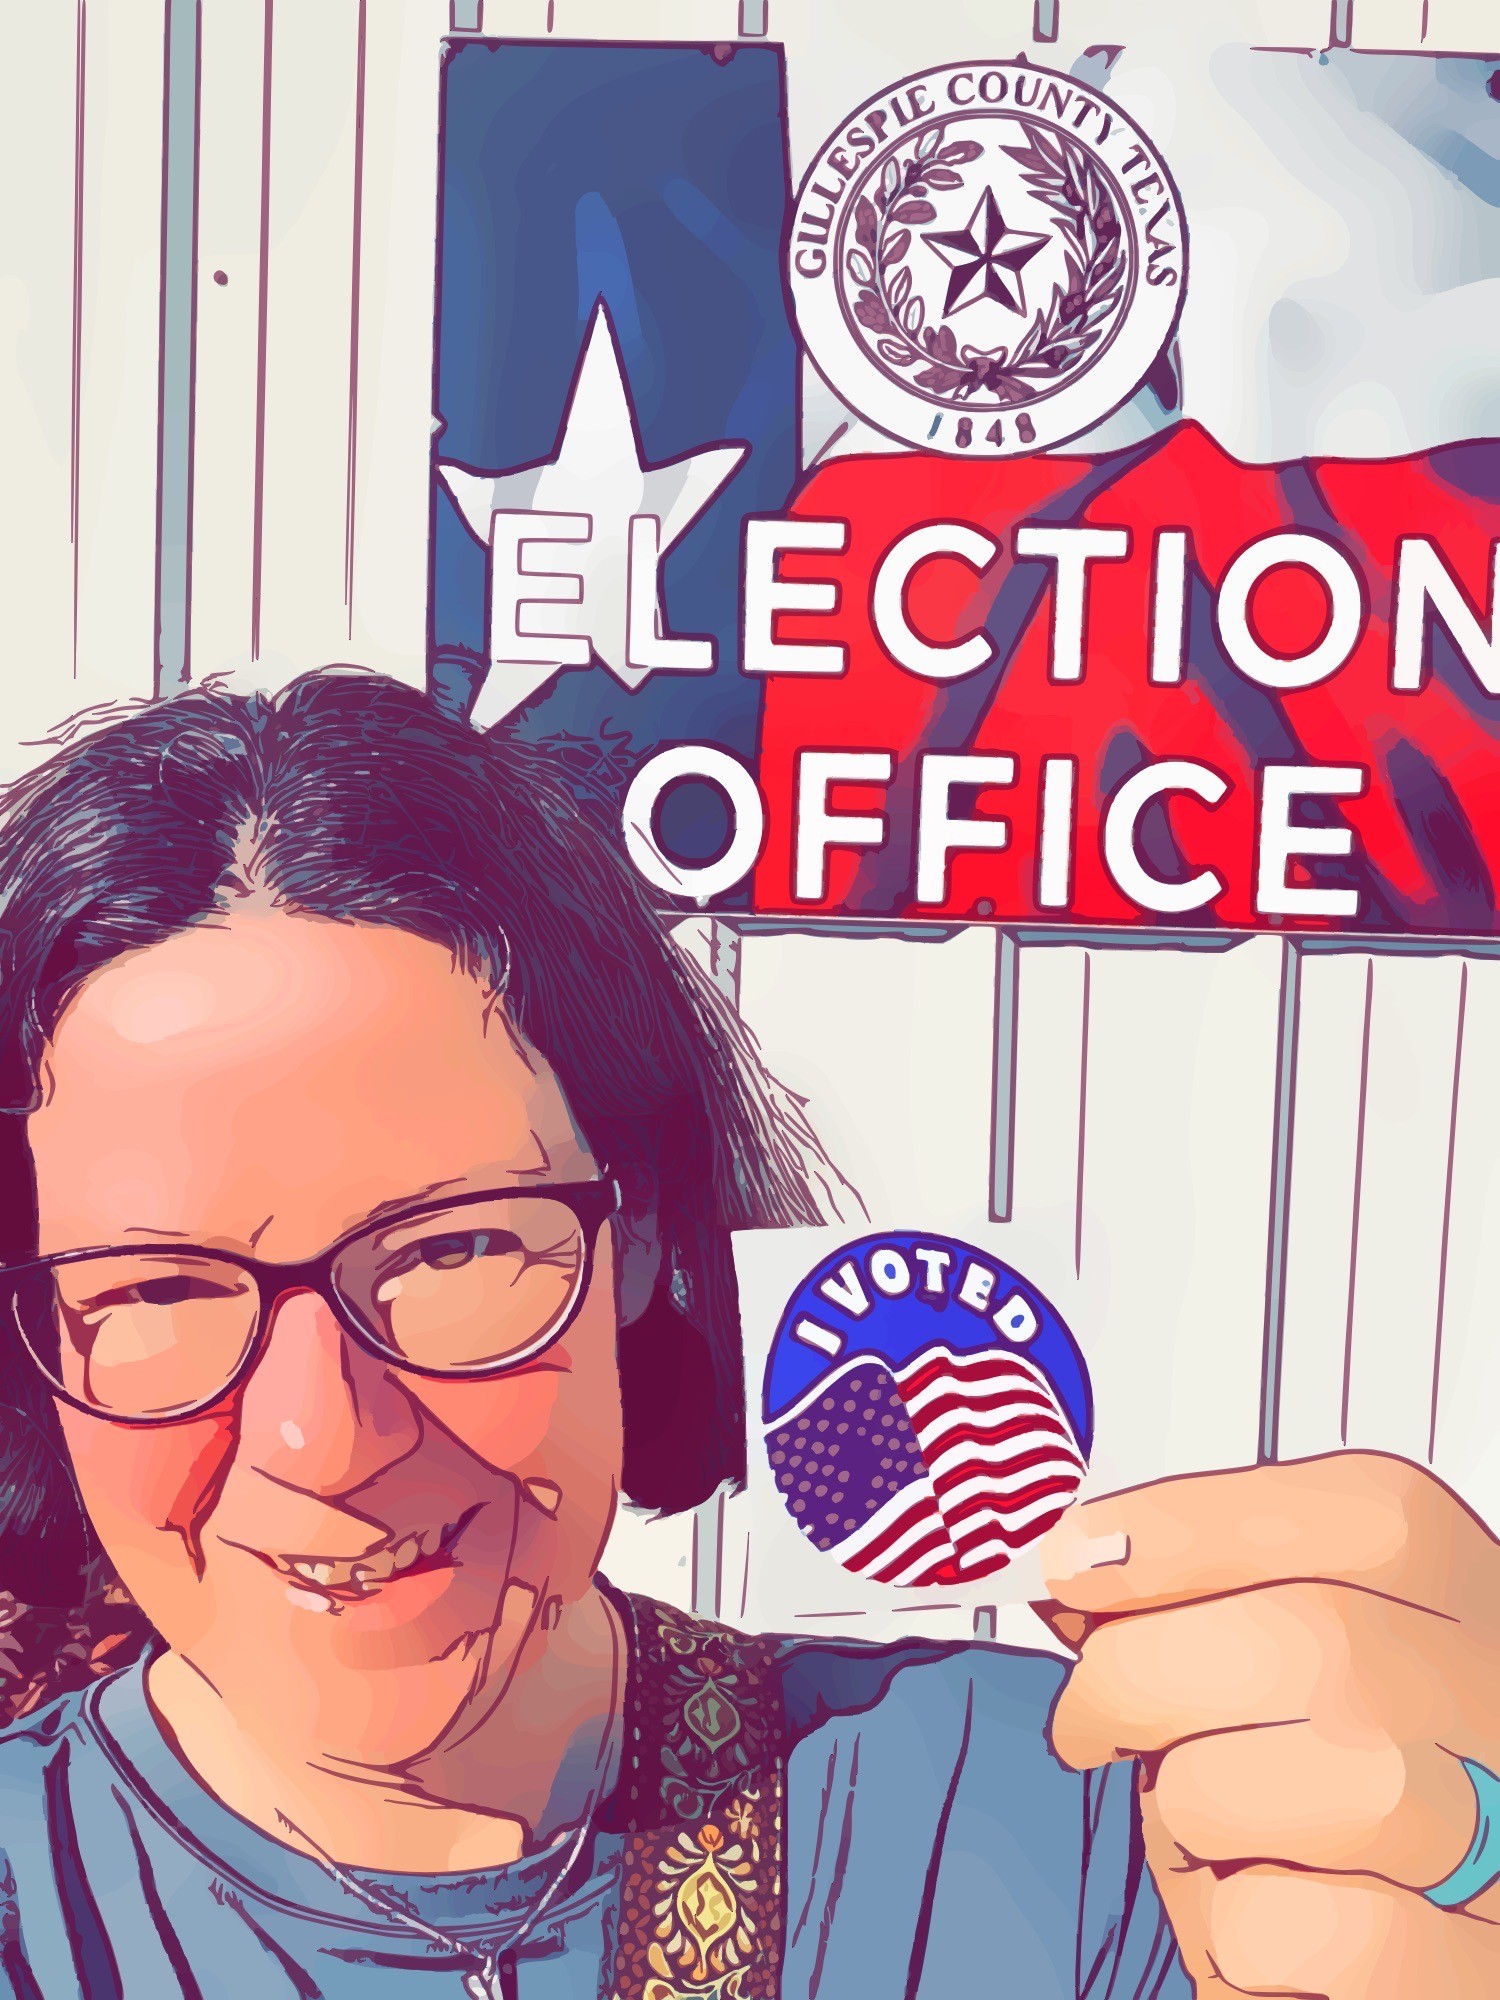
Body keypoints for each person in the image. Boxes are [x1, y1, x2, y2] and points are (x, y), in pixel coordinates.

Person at [0, 669, 1493, 1999]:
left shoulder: (1075, 1825)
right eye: (154, 1289)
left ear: (639, 1234)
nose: (322, 1440)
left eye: (452, 1247)